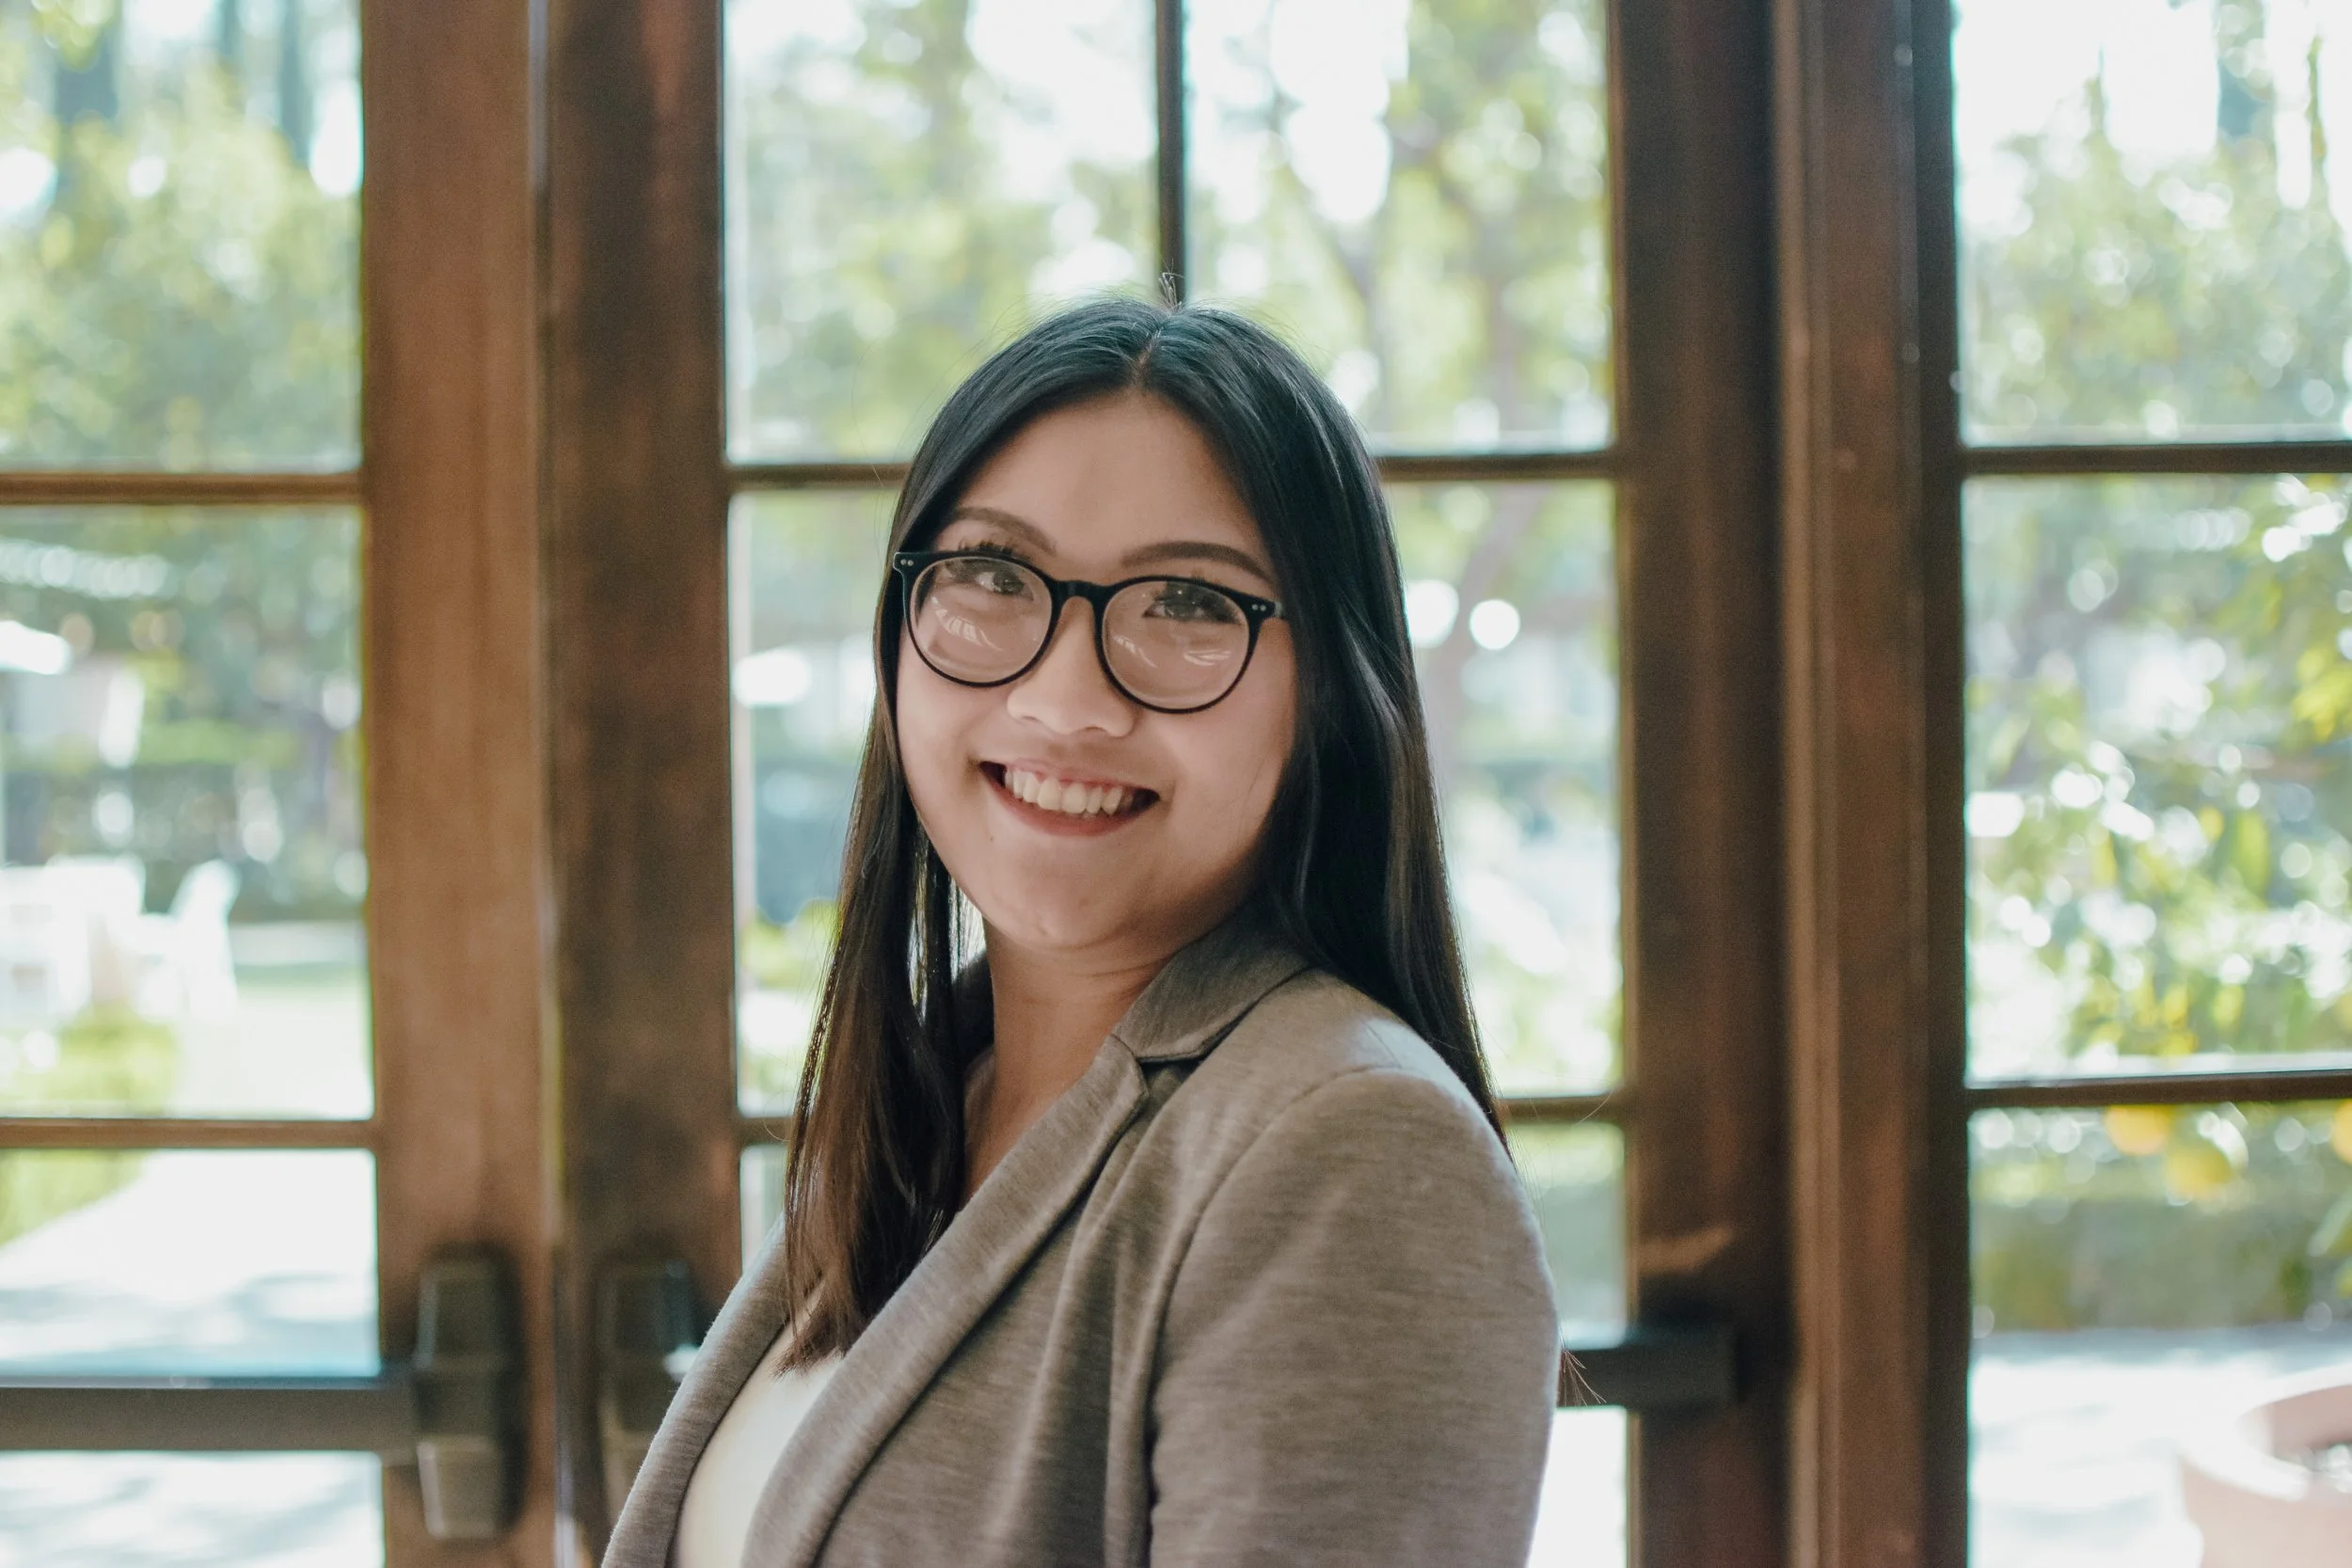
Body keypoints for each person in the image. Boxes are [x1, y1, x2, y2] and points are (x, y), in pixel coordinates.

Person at [607, 297, 1560, 1568]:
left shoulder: (1354, 1152)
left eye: (1185, 603)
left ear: (1331, 685)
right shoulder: (937, 1091)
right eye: (993, 576)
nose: (1065, 697)